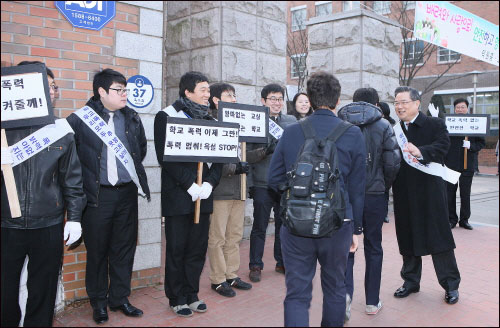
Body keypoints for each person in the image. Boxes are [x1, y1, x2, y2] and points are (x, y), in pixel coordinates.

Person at [268, 71, 366, 326]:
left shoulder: (290, 132)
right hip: (337, 224)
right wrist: (355, 228)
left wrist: (296, 197)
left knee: (297, 293)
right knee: (335, 288)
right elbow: (357, 188)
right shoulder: (353, 134)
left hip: (297, 225)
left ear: (309, 99)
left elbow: (274, 178)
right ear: (337, 101)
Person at [1, 61, 86, 327]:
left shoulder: (60, 131)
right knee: (4, 291)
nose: (53, 92)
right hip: (5, 225)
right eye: (46, 86)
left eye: (54, 87)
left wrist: (74, 217)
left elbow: (72, 180)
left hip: (48, 223)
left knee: (43, 291)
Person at [66, 68, 150, 324]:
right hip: (96, 197)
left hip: (126, 194)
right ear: (101, 92)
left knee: (124, 250)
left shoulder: (132, 117)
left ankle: (120, 298)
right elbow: (71, 161)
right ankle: (99, 302)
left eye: (125, 89)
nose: (125, 94)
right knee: (98, 252)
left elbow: (140, 150)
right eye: (119, 89)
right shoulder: (80, 120)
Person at [154, 71, 222, 317]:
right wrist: (189, 184)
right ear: (188, 92)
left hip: (203, 197)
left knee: (197, 247)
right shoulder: (167, 116)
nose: (208, 95)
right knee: (177, 247)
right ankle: (176, 297)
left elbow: (220, 160)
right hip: (179, 196)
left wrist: (209, 185)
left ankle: (192, 293)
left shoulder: (212, 121)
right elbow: (165, 157)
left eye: (208, 89)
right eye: (203, 89)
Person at [392, 86, 461, 305]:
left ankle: (451, 285)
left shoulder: (434, 124)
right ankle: (411, 281)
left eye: (403, 102)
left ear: (416, 103)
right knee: (407, 236)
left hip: (430, 191)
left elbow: (443, 146)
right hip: (403, 191)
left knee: (438, 237)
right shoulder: (394, 130)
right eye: (396, 103)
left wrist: (421, 152)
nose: (399, 107)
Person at [338, 88, 400, 320]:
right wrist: (383, 185)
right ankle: (372, 302)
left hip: (345, 196)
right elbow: (392, 163)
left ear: (353, 102)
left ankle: (345, 295)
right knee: (374, 246)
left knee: (346, 245)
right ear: (376, 103)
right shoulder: (384, 126)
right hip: (374, 195)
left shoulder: (340, 124)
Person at [246, 84, 296, 283]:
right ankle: (255, 265)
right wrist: (264, 151)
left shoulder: (291, 122)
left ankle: (281, 261)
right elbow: (246, 155)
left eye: (280, 99)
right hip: (262, 183)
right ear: (263, 101)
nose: (277, 102)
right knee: (259, 225)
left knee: (283, 225)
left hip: (285, 183)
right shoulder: (255, 122)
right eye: (272, 98)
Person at [207, 83, 252, 297]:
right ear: (216, 100)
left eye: (234, 95)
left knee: (235, 235)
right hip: (220, 190)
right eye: (228, 95)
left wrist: (262, 152)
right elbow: (211, 160)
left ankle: (231, 275)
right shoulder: (210, 123)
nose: (234, 99)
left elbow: (243, 156)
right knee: (218, 237)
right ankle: (217, 279)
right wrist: (235, 167)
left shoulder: (240, 124)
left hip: (239, 189)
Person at [444, 98, 485, 230]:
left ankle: (464, 220)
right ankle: (451, 219)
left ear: (467, 108)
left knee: (465, 194)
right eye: (457, 107)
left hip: (468, 164)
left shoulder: (474, 123)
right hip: (451, 164)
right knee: (449, 193)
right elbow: (440, 137)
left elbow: (481, 143)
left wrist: (471, 146)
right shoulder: (448, 123)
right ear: (454, 109)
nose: (460, 109)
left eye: (462, 107)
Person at [379, 101, 396, 224]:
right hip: (377, 161)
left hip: (387, 160)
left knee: (385, 191)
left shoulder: (392, 125)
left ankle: (384, 213)